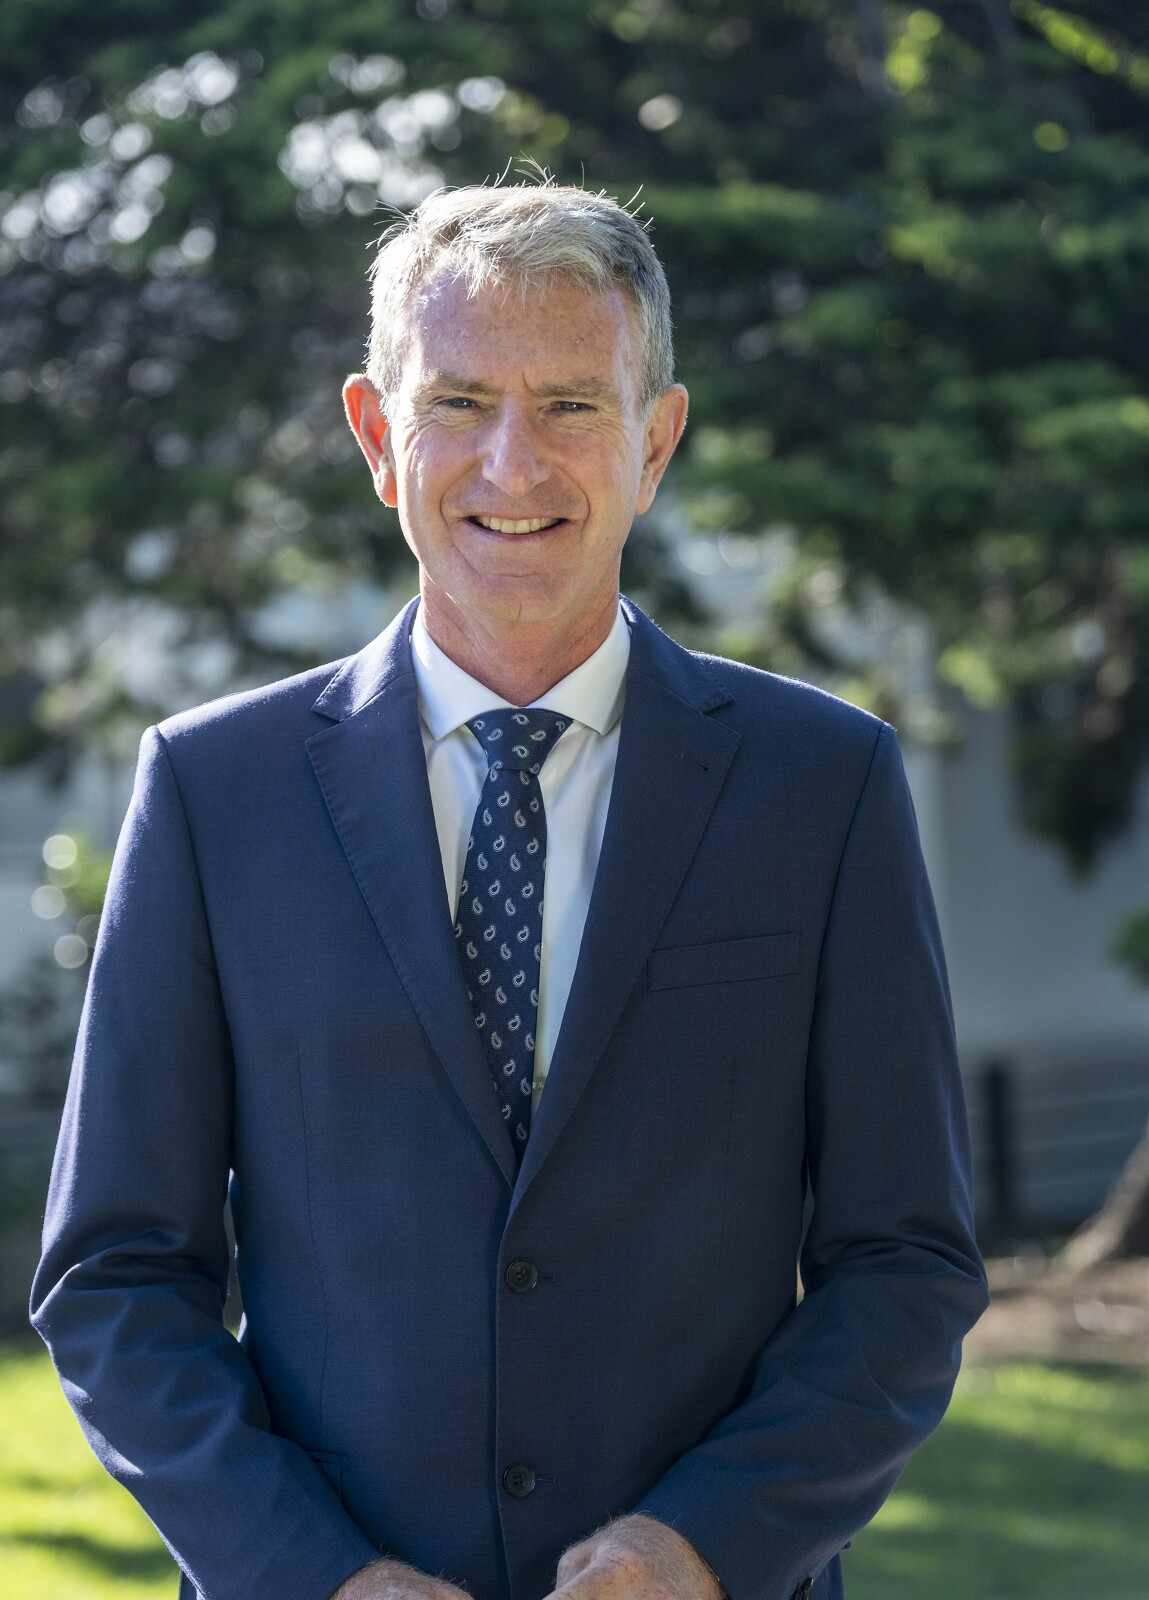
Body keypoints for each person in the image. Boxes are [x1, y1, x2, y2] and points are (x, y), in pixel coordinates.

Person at [32, 182, 988, 1600]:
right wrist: (316, 1577)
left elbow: (903, 1261)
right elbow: (115, 1276)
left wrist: (702, 1545)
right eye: (460, 401)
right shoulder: (213, 791)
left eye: (572, 405)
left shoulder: (823, 786)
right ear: (377, 436)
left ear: (655, 441)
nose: (511, 462)